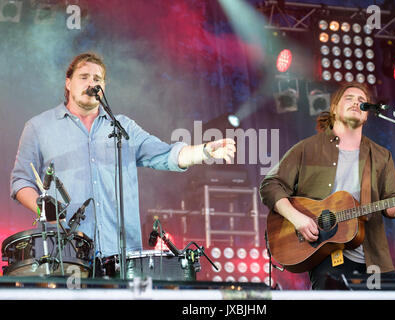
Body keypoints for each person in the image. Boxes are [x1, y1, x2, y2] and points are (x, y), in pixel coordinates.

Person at [10, 52, 236, 274]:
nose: (92, 83)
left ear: (103, 88)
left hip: (121, 257)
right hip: (66, 254)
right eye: (84, 77)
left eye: (97, 79)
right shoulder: (39, 127)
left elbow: (166, 154)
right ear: (68, 83)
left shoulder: (123, 128)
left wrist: (204, 151)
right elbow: (21, 180)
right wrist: (43, 209)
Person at [259, 82, 395, 290]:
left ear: (366, 115)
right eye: (349, 98)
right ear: (335, 108)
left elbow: (391, 204)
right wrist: (296, 217)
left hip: (372, 257)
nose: (356, 103)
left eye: (362, 101)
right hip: (326, 255)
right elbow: (270, 185)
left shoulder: (381, 156)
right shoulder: (308, 148)